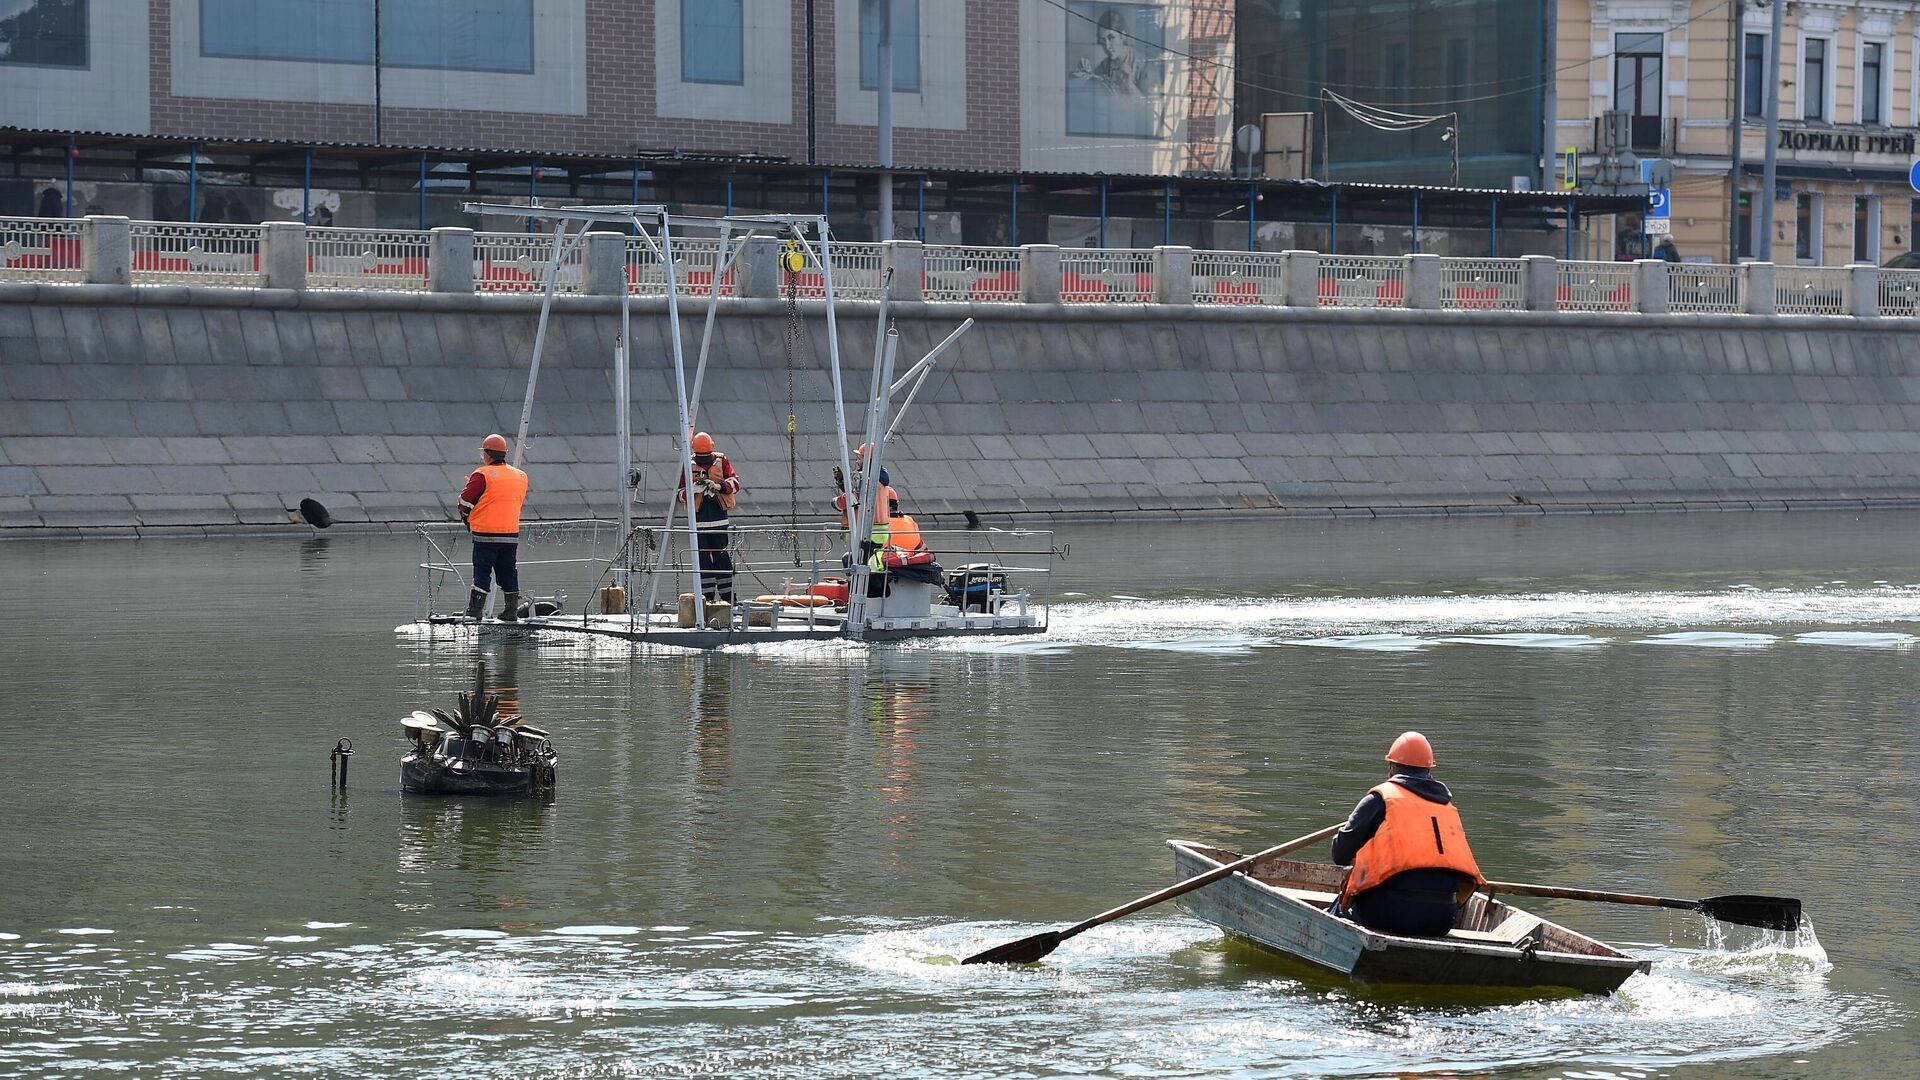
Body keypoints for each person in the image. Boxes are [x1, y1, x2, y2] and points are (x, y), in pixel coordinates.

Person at [1330, 731, 1485, 937]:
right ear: (1429, 770)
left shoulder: (1379, 800)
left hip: (1392, 913)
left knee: (1336, 909)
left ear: (1391, 769)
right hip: (1444, 917)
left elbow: (1339, 855)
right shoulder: (1446, 806)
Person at [458, 433, 530, 621]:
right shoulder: (521, 476)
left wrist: (467, 516)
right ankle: (511, 611)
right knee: (508, 571)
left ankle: (475, 611)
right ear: (504, 453)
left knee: (482, 572)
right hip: (510, 534)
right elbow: (503, 498)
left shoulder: (482, 474)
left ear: (487, 454)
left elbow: (464, 502)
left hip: (485, 534)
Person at [675, 432, 741, 604]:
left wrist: (718, 485)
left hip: (718, 521)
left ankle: (728, 599)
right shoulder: (688, 464)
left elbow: (735, 483)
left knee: (720, 560)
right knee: (703, 561)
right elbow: (679, 493)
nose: (704, 461)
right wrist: (692, 491)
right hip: (698, 522)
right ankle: (707, 599)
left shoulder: (721, 460)